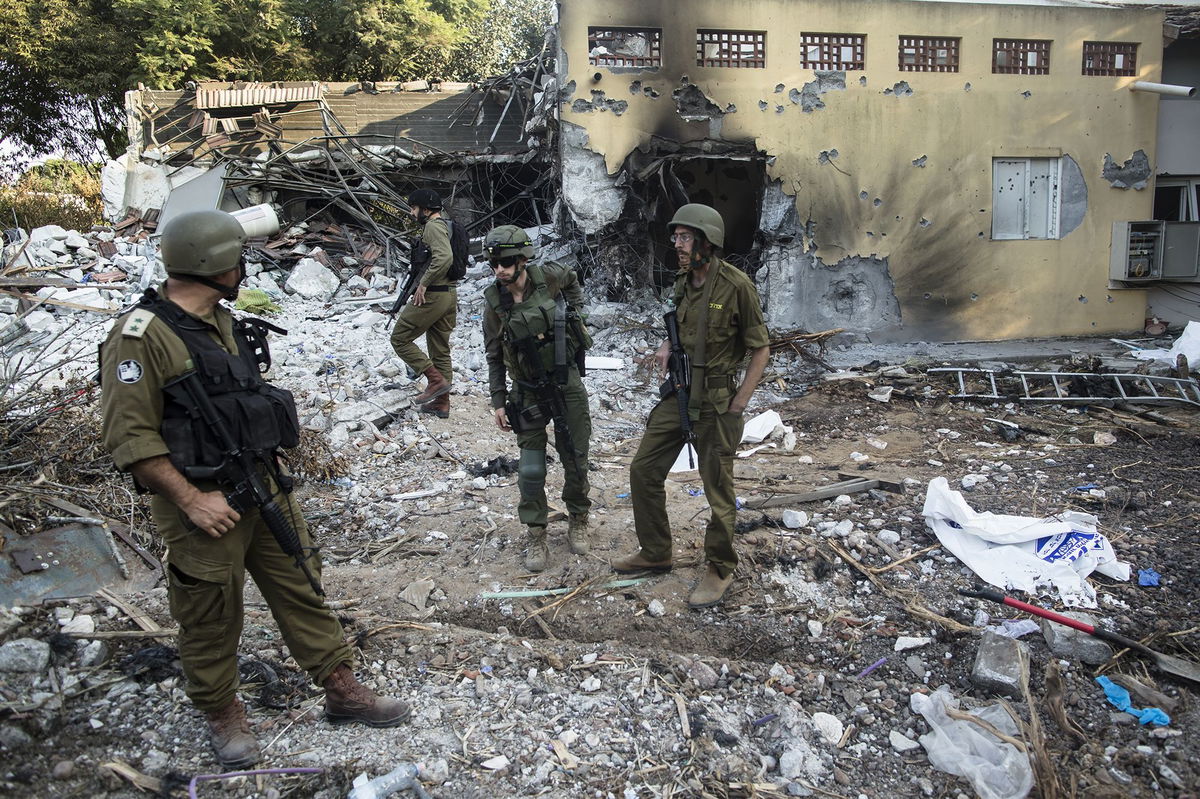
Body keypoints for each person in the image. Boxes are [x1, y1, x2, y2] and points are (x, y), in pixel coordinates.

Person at [99, 209, 410, 770]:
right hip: (203, 505)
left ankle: (340, 686)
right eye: (237, 258)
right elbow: (131, 438)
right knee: (211, 612)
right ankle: (222, 713)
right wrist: (192, 500)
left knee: (302, 585)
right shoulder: (139, 337)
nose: (244, 267)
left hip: (262, 487)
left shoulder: (221, 320)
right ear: (213, 265)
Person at [614, 204, 771, 608]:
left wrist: (739, 403)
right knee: (643, 469)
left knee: (718, 489)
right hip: (680, 393)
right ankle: (656, 551)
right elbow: (680, 329)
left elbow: (760, 349)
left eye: (684, 238)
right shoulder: (684, 282)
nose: (677, 245)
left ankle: (719, 566)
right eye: (676, 238)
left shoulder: (736, 286)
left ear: (705, 241)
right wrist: (666, 347)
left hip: (719, 402)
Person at [482, 225, 593, 572]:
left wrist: (575, 315)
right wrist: (498, 400)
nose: (500, 269)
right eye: (494, 264)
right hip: (526, 390)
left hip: (565, 383)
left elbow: (574, 280)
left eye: (506, 262)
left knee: (575, 456)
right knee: (530, 470)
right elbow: (494, 356)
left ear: (523, 259)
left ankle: (578, 517)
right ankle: (536, 532)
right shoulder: (494, 303)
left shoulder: (549, 277)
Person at [389, 188, 458, 418]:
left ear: (425, 210)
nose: (411, 212)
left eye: (413, 208)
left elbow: (444, 257)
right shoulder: (447, 226)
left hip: (434, 295)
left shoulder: (433, 226)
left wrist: (424, 284)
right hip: (448, 294)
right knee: (439, 348)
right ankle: (442, 403)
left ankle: (435, 380)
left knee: (399, 338)